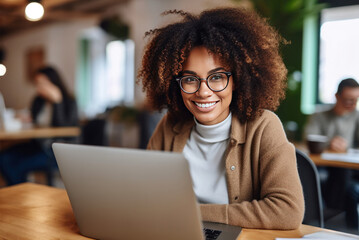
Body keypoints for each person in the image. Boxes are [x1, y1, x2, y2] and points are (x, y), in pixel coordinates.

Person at [138, 8, 304, 229]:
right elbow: (145, 197)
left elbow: (287, 211)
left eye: (217, 77)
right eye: (190, 79)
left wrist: (193, 213)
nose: (203, 92)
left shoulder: (264, 126)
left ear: (238, 79)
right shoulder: (170, 126)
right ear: (176, 84)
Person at [0, 66, 79, 186]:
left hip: (56, 150)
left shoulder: (69, 101)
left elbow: (62, 128)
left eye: (42, 84)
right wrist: (25, 119)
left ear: (53, 83)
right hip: (38, 145)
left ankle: (20, 191)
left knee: (18, 165)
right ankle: (19, 189)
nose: (39, 88)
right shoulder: (39, 100)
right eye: (37, 84)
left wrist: (57, 102)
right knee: (2, 158)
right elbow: (34, 120)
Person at [304, 78, 359, 228]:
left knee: (343, 173)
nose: (351, 104)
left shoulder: (356, 116)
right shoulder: (320, 115)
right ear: (337, 96)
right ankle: (333, 216)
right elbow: (308, 137)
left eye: (355, 100)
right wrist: (330, 144)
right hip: (323, 165)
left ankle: (337, 217)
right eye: (348, 99)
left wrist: (346, 147)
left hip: (349, 168)